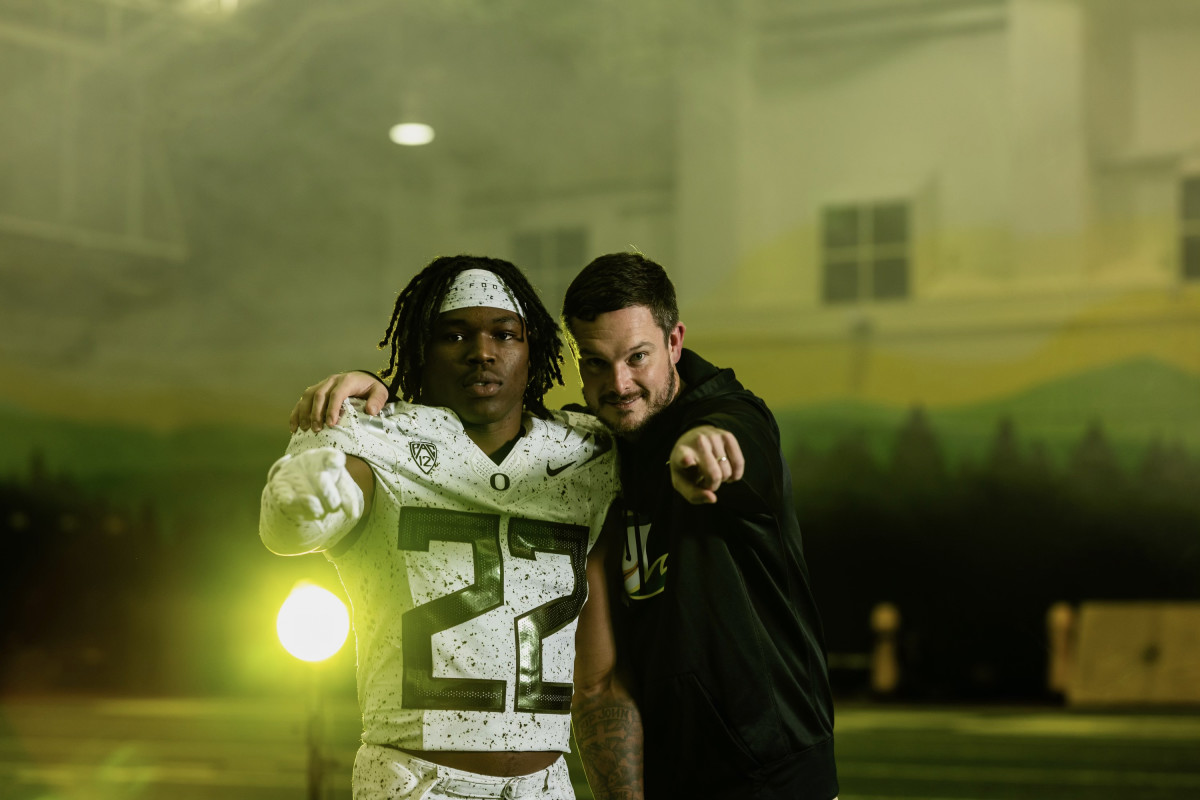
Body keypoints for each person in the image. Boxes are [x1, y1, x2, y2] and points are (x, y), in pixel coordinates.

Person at [292, 252, 839, 800]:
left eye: (638, 357)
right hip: (662, 770)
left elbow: (741, 441)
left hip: (770, 773)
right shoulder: (593, 451)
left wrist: (709, 446)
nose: (619, 383)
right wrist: (378, 388)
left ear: (675, 343)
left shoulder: (730, 418)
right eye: (596, 363)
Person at [260, 255, 642, 800]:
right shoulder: (375, 436)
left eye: (503, 334)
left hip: (547, 786)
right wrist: (306, 493)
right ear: (421, 349)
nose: (481, 352)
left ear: (533, 349)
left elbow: (599, 681)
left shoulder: (587, 453)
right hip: (417, 783)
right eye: (454, 334)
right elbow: (295, 525)